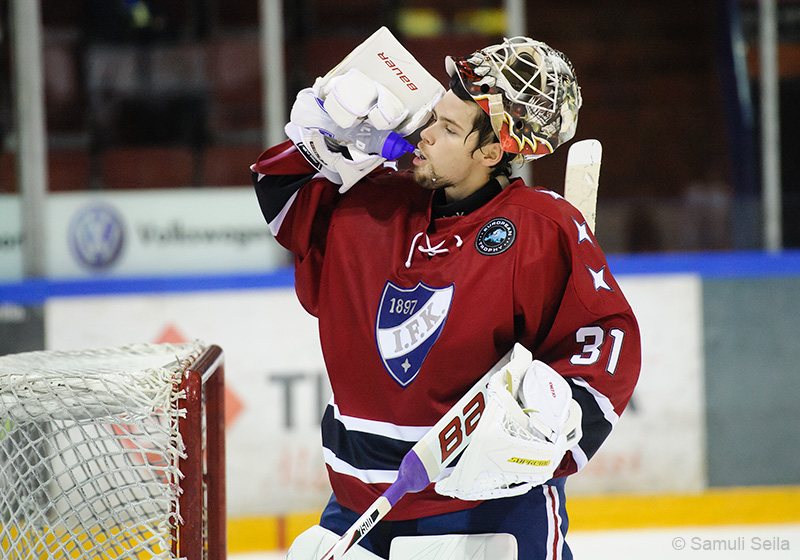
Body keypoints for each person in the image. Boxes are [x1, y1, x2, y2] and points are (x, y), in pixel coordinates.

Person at [252, 36, 641, 560]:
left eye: (450, 129)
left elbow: (604, 339)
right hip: (357, 508)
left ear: (491, 151)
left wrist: (560, 421)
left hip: (489, 516)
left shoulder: (541, 226)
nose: (425, 134)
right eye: (435, 116)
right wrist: (319, 141)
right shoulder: (371, 198)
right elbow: (285, 208)